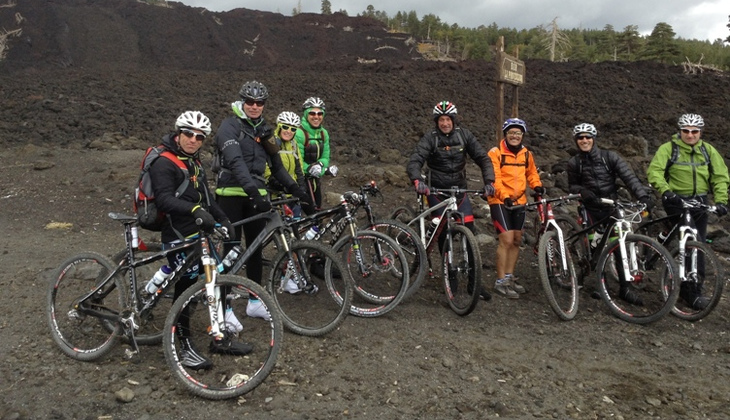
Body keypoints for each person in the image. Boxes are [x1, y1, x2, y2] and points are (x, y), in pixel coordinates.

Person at [149, 110, 249, 370]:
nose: (193, 140)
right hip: (177, 234)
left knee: (214, 281)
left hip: (198, 232)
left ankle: (219, 336)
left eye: (200, 137)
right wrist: (194, 211)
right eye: (188, 134)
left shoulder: (194, 162)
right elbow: (164, 199)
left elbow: (207, 199)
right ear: (178, 133)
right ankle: (182, 346)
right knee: (185, 291)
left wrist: (224, 220)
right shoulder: (164, 162)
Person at [214, 81, 313, 317]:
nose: (255, 106)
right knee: (231, 251)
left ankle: (254, 302)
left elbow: (277, 166)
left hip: (256, 196)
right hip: (230, 195)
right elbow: (236, 163)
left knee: (256, 249)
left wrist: (298, 191)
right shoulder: (229, 126)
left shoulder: (265, 131)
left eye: (259, 103)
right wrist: (254, 193)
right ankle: (224, 308)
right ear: (242, 102)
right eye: (250, 102)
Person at [406, 100, 496, 300]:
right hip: (436, 190)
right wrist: (417, 180)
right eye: (441, 120)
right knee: (445, 234)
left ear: (454, 120)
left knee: (470, 233)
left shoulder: (465, 135)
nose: (445, 123)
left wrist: (489, 181)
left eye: (448, 119)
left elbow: (483, 158)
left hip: (460, 190)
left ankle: (475, 283)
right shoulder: (431, 138)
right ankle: (450, 278)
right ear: (436, 121)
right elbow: (415, 160)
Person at [646, 113, 729, 309]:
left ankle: (692, 286)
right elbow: (655, 171)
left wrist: (721, 201)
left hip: (699, 200)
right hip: (676, 199)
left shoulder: (708, 151)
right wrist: (666, 191)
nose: (690, 135)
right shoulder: (669, 149)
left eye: (694, 131)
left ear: (701, 132)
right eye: (686, 131)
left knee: (697, 241)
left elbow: (720, 176)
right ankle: (690, 292)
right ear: (680, 131)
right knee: (691, 240)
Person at [567, 122, 654, 305]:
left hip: (611, 206)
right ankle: (597, 282)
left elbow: (629, 177)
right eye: (580, 138)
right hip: (590, 208)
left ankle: (625, 288)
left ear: (594, 139)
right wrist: (583, 192)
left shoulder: (609, 157)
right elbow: (572, 185)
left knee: (618, 245)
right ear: (576, 141)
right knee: (593, 247)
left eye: (588, 137)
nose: (584, 140)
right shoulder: (574, 163)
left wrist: (643, 196)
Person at [487, 118, 544, 299]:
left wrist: (537, 185)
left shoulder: (527, 154)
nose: (514, 136)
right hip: (499, 200)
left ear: (522, 136)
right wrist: (504, 197)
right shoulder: (495, 153)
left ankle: (509, 276)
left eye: (518, 133)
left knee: (518, 240)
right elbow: (494, 178)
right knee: (506, 239)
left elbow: (532, 173)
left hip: (519, 201)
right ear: (505, 134)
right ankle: (500, 280)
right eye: (511, 133)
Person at [294, 97, 338, 209]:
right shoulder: (299, 133)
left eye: (320, 114)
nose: (316, 117)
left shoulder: (323, 133)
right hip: (299, 180)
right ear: (306, 114)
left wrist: (321, 166)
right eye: (312, 113)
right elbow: (297, 160)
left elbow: (325, 156)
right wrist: (310, 169)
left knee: (317, 211)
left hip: (314, 181)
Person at [265, 111, 306, 218]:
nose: (289, 131)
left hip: (292, 195)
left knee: (296, 224)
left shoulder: (293, 144)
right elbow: (266, 167)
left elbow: (299, 168)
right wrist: (275, 182)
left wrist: (301, 187)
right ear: (279, 126)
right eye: (285, 127)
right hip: (276, 195)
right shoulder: (271, 142)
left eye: (293, 129)